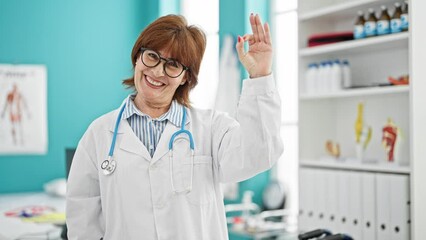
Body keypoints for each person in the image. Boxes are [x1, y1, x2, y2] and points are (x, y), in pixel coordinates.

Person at [66, 13, 283, 240]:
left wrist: (260, 76)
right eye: (152, 56)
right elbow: (83, 221)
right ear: (137, 58)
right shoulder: (99, 134)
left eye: (173, 65)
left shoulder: (211, 129)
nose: (158, 71)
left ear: (185, 78)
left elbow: (258, 153)